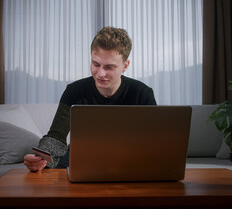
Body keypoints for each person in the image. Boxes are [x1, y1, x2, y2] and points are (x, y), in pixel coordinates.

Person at [24, 26, 156, 171]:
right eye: (96, 64)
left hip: (129, 161)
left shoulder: (142, 94)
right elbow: (56, 137)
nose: (100, 73)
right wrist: (41, 159)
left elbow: (153, 143)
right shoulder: (74, 91)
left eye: (109, 67)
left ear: (125, 65)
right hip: (79, 159)